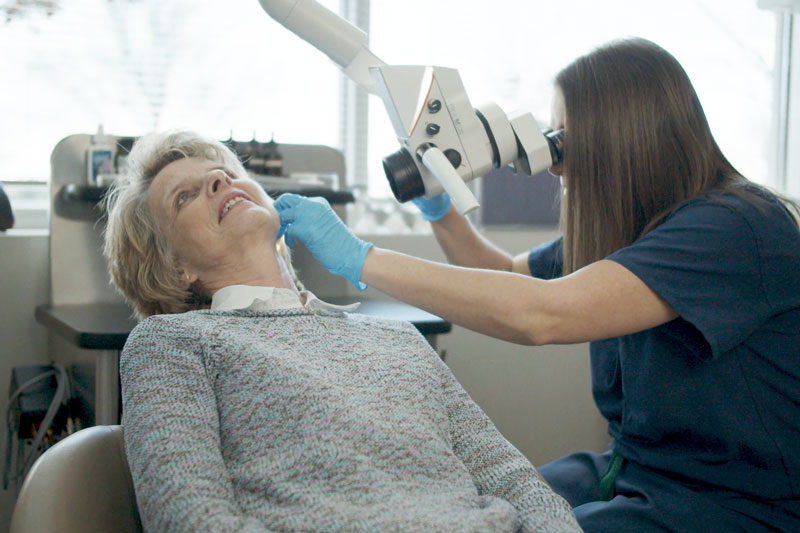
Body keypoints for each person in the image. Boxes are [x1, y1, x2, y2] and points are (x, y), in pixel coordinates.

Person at [275, 38, 800, 532]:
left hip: (734, 500)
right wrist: (441, 211)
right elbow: (505, 277)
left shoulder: (735, 227)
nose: (555, 162)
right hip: (634, 469)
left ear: (620, 137)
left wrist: (362, 259)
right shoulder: (637, 230)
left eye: (563, 138)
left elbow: (541, 314)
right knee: (464, 501)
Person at [101, 130, 581, 532]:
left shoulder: (397, 337)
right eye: (183, 197)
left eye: (223, 173)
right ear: (175, 267)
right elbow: (192, 518)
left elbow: (511, 479)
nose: (217, 181)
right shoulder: (174, 345)